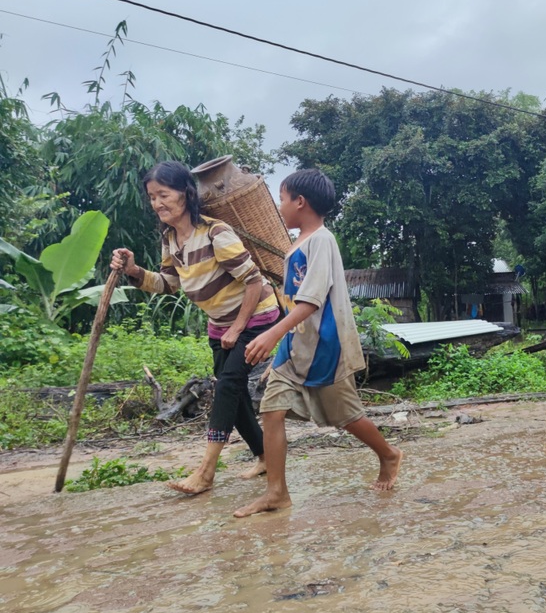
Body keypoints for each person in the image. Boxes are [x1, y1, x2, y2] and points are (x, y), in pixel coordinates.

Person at [234, 168, 403, 518]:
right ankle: (277, 492)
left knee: (346, 416)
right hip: (296, 344)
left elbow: (312, 301)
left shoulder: (322, 241)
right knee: (271, 410)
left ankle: (388, 455)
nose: (279, 206)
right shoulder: (297, 245)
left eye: (282, 199)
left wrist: (271, 332)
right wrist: (281, 342)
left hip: (325, 345)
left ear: (300, 201)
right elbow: (295, 301)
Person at [111, 161, 280, 493]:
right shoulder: (170, 238)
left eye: (164, 194)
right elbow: (169, 284)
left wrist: (237, 328)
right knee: (235, 391)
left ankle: (206, 471)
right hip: (220, 325)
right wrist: (133, 270)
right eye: (152, 197)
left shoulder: (216, 233)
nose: (157, 203)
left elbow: (254, 282)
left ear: (185, 194)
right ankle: (264, 456)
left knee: (229, 385)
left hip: (255, 317)